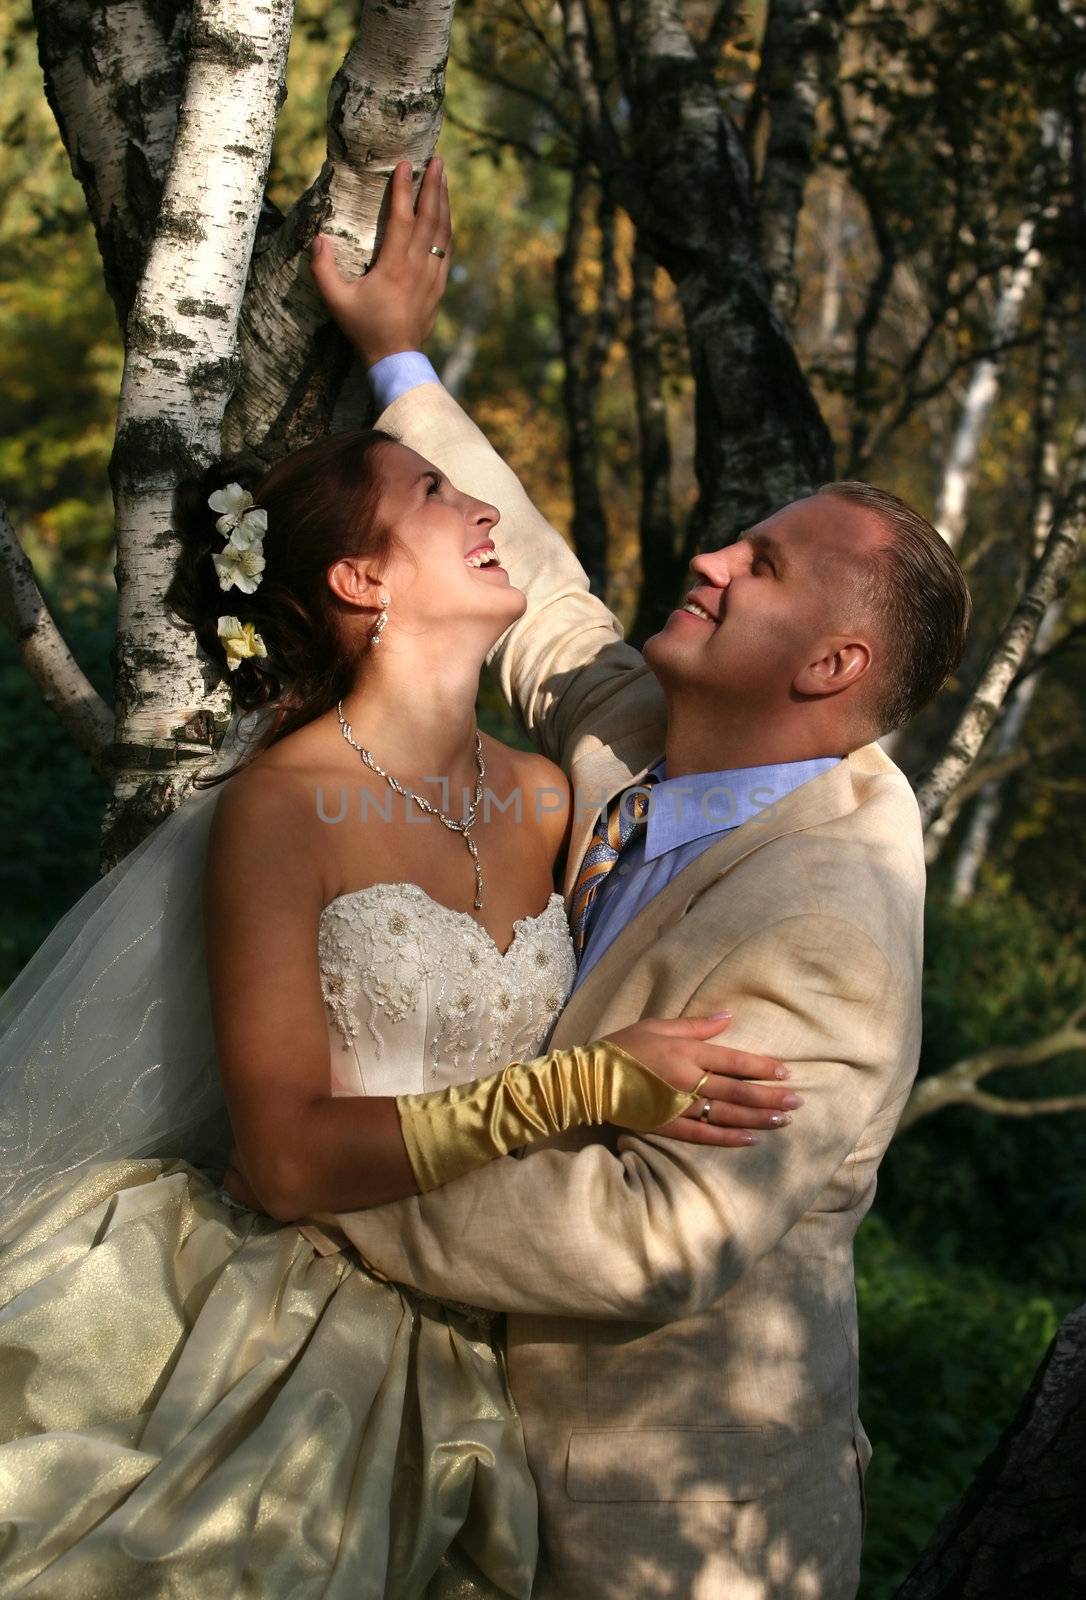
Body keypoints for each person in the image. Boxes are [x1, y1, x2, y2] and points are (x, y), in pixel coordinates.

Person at [0, 163, 797, 1599]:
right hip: (260, 1338)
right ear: (362, 585)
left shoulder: (554, 795)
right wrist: (583, 1088)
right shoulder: (284, 806)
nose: (484, 509)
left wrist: (400, 349)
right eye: (438, 494)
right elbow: (290, 1158)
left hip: (470, 1357)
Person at [305, 159, 973, 1598]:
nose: (712, 556)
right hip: (477, 1469)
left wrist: (328, 1173)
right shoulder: (658, 740)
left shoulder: (830, 923)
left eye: (767, 565)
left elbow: (647, 1235)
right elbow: (538, 600)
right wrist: (394, 351)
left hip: (663, 1536)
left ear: (830, 667)